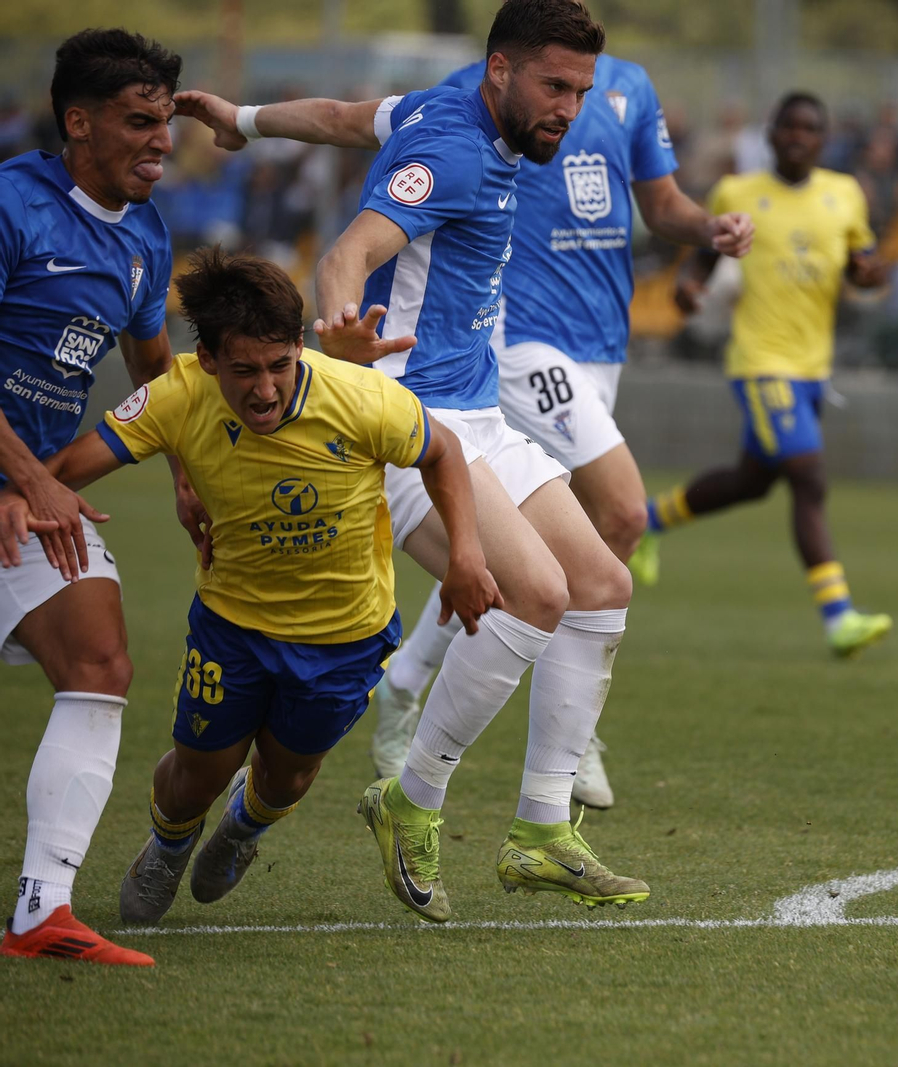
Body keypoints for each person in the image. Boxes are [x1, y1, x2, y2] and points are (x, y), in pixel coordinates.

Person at [175, 0, 646, 920]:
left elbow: (350, 120)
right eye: (555, 86)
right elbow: (350, 252)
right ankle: (409, 798)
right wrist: (342, 349)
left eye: (583, 91)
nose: (570, 108)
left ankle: (544, 828)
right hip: (410, 423)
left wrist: (242, 121)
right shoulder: (456, 152)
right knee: (538, 593)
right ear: (500, 71)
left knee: (602, 582)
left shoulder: (441, 106)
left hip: (476, 412)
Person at [9, 249, 492, 926]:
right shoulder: (176, 396)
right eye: (243, 371)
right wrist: (25, 492)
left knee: (287, 774)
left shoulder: (361, 397)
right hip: (232, 624)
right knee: (194, 774)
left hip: (345, 635)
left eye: (278, 365)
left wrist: (466, 553)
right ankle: (170, 845)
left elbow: (442, 453)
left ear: (300, 345)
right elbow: (72, 464)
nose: (264, 388)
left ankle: (241, 831)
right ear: (207, 359)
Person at [366, 44, 755, 807]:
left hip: (600, 339)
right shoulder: (493, 89)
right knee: (619, 510)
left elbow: (663, 205)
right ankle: (564, 748)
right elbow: (370, 127)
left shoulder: (630, 87)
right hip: (518, 339)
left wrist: (710, 228)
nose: (566, 103)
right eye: (557, 86)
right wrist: (251, 120)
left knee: (526, 544)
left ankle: (411, 681)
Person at [0, 28, 202, 968]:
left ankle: (44, 911)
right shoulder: (11, 203)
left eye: (165, 121)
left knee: (102, 659)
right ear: (78, 122)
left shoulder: (147, 237)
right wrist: (31, 476)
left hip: (26, 500)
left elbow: (152, 364)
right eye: (138, 121)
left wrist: (183, 469)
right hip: (21, 489)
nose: (160, 140)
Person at [635, 92, 892, 657]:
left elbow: (864, 267)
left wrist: (872, 274)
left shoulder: (844, 194)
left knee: (753, 481)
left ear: (823, 141)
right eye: (789, 128)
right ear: (772, 135)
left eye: (811, 130)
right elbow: (709, 251)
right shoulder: (739, 192)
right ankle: (838, 615)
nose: (799, 137)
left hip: (813, 369)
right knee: (808, 475)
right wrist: (691, 284)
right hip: (760, 362)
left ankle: (649, 519)